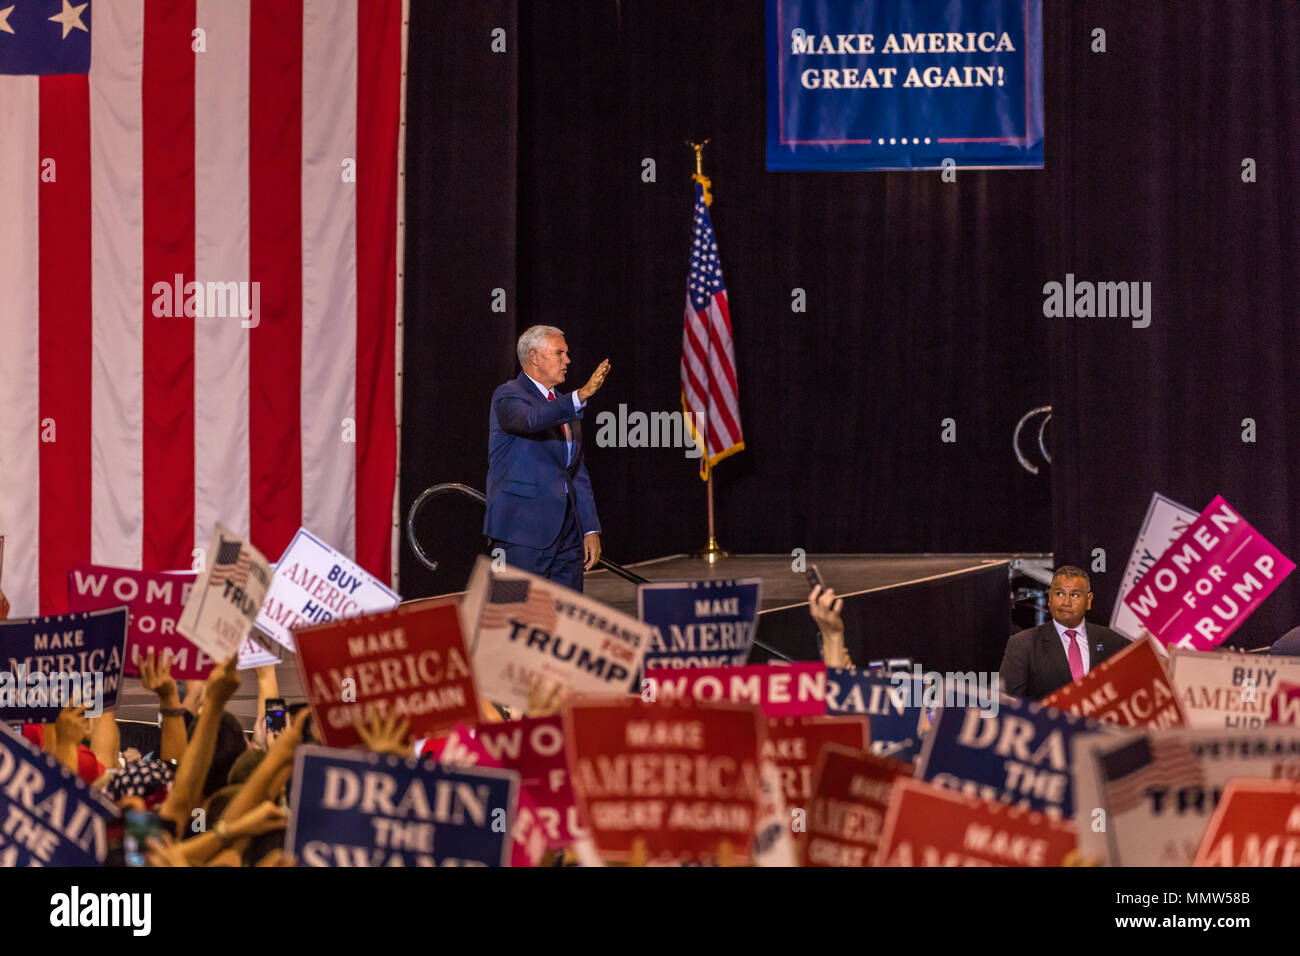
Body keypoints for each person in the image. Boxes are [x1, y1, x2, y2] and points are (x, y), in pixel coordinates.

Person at [484, 325, 610, 592]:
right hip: (520, 533)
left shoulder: (564, 404)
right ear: (535, 357)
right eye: (560, 353)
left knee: (564, 622)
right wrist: (581, 395)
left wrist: (589, 528)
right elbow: (531, 420)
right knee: (513, 622)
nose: (568, 360)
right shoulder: (508, 395)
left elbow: (576, 471)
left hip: (567, 535)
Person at [999, 565, 1129, 699]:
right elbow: (1009, 707)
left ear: (1088, 601)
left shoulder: (1112, 641)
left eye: (1075, 595)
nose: (1066, 602)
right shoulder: (1023, 644)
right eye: (1059, 594)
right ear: (1050, 598)